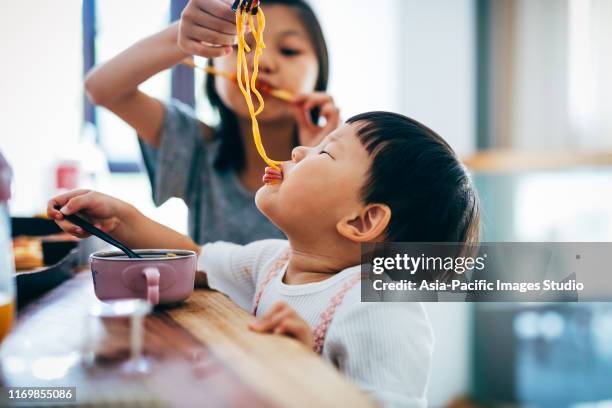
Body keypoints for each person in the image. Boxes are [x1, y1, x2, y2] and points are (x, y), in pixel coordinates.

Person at [48, 112, 480, 407]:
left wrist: (306, 373)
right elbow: (196, 260)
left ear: (362, 220)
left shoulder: (381, 311)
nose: (297, 152)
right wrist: (124, 219)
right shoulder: (271, 261)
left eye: (325, 152)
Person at [84, 0, 338, 245]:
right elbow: (101, 88)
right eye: (240, 45)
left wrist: (320, 168)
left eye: (289, 50)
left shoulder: (354, 161)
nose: (260, 63)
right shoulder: (196, 145)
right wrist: (186, 36)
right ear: (212, 60)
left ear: (320, 71)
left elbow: (376, 279)